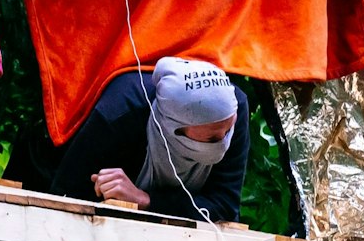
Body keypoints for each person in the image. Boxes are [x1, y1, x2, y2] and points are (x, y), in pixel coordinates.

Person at [49, 56, 250, 222]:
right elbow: (65, 195)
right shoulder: (118, 115)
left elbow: (224, 206)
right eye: (211, 138)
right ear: (173, 126)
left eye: (228, 130)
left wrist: (146, 201)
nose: (223, 141)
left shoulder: (236, 109)